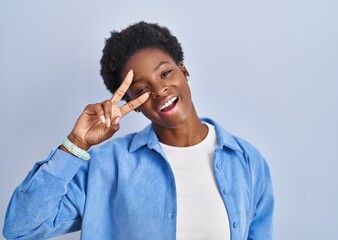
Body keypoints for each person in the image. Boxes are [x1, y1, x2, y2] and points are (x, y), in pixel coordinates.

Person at [3, 21, 274, 240]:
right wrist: (76, 144)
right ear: (133, 105)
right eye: (142, 90)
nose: (159, 90)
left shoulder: (247, 161)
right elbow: (21, 228)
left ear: (184, 70)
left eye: (165, 73)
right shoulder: (107, 166)